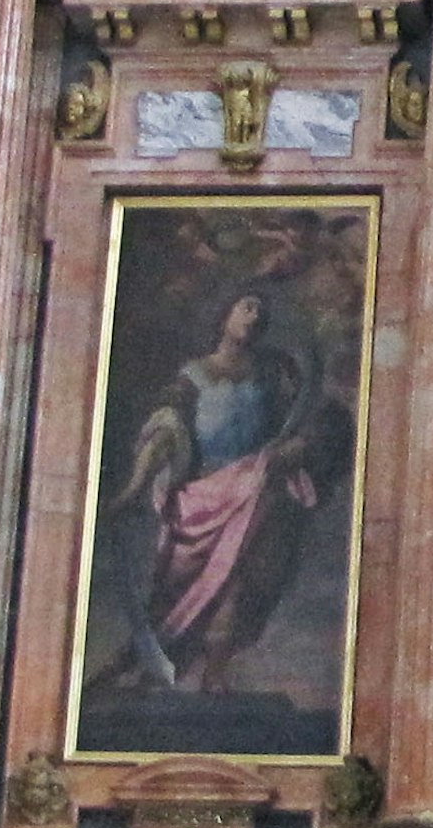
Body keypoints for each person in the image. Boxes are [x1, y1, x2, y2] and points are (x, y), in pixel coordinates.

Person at [112, 282, 325, 694]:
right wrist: (134, 488)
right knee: (174, 587)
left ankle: (215, 670)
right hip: (203, 494)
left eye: (261, 313)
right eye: (247, 307)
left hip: (253, 488)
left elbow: (288, 426)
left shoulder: (270, 377)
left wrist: (294, 447)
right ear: (225, 315)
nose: (254, 317)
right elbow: (166, 428)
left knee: (240, 581)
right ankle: (151, 666)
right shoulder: (193, 376)